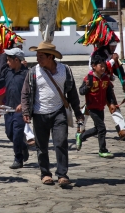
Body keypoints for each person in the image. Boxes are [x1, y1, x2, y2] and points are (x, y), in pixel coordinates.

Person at [21, 42, 84, 186]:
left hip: (59, 112)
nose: (38, 59)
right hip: (39, 113)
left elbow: (72, 92)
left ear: (51, 57)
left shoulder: (65, 70)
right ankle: (45, 173)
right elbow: (25, 93)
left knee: (61, 142)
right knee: (41, 146)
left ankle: (62, 174)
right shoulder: (33, 72)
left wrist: (77, 112)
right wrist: (25, 111)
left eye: (41, 56)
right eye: (37, 56)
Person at [0, 39, 35, 148]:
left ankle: (28, 137)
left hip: (16, 87)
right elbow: (2, 73)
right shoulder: (5, 56)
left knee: (20, 113)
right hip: (3, 86)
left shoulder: (22, 65)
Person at [88, 40, 125, 140]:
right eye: (111, 46)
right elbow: (100, 69)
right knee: (89, 106)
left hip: (106, 83)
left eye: (115, 46)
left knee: (113, 103)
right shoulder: (97, 54)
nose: (113, 48)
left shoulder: (113, 55)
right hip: (95, 83)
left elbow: (119, 69)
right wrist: (112, 60)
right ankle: (81, 127)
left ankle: (122, 129)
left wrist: (124, 81)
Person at [76, 55, 116, 158]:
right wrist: (88, 87)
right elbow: (81, 91)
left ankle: (81, 136)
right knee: (102, 128)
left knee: (98, 128)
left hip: (100, 107)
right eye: (101, 66)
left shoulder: (106, 78)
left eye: (104, 66)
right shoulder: (88, 78)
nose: (103, 68)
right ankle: (102, 150)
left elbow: (109, 93)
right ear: (93, 66)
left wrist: (112, 103)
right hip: (92, 107)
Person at [0, 48, 30, 169]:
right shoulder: (8, 72)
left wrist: (23, 104)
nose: (7, 62)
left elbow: (31, 92)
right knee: (9, 133)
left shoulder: (27, 74)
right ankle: (23, 146)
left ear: (16, 60)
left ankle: (18, 158)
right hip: (8, 107)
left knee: (17, 133)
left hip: (20, 110)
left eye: (9, 60)